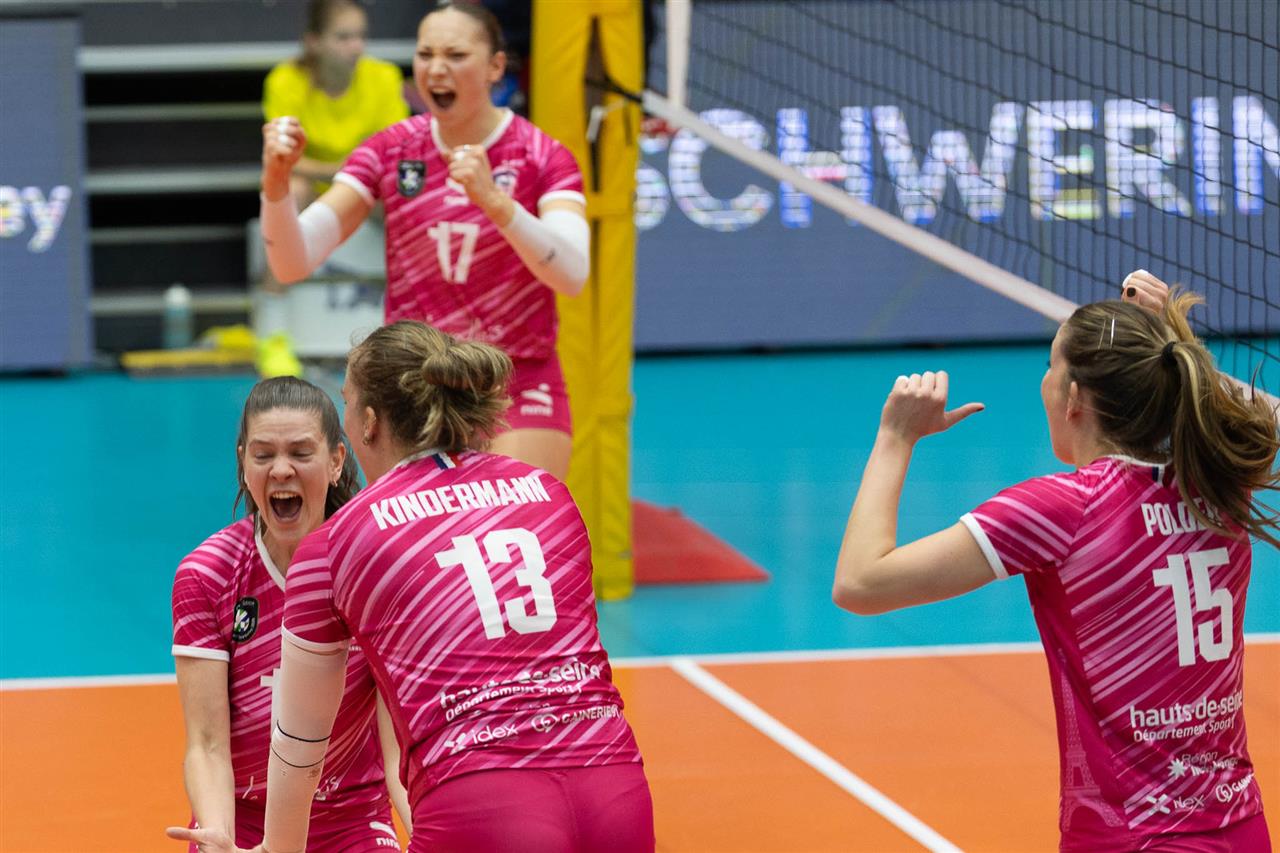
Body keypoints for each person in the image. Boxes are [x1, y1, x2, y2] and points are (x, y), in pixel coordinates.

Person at [831, 271, 1277, 851]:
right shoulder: (1221, 485)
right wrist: (1166, 334)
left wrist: (896, 435)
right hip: (1242, 828)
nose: (1044, 380)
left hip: (1134, 840)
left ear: (1073, 398)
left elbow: (860, 583)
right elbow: (1197, 398)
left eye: (1050, 365)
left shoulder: (1065, 510)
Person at [172, 321, 653, 853]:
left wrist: (274, 850)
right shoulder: (549, 493)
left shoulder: (342, 541)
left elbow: (301, 745)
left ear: (368, 424)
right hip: (615, 785)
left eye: (346, 402)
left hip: (481, 800)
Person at [258, 2, 590, 481]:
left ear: (495, 66)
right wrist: (276, 187)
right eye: (425, 54)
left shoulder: (542, 156)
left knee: (513, 518)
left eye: (456, 55)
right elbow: (292, 262)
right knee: (420, 528)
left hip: (513, 377)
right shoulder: (390, 150)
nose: (436, 68)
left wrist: (496, 203)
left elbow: (573, 274)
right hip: (415, 381)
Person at [167, 376, 410, 852]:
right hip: (245, 820)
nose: (281, 470)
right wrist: (218, 836)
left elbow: (398, 747)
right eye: (263, 455)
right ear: (243, 463)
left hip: (351, 819)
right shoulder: (209, 574)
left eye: (300, 453)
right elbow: (207, 744)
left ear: (336, 460)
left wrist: (430, 836)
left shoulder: (373, 564)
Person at [263, 0, 410, 206]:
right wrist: (336, 171)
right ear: (314, 42)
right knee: (294, 188)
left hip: (366, 184)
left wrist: (353, 175)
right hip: (315, 187)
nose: (357, 47)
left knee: (400, 186)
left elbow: (395, 151)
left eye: (361, 36)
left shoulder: (385, 76)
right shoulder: (284, 81)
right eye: (343, 37)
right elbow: (281, 158)